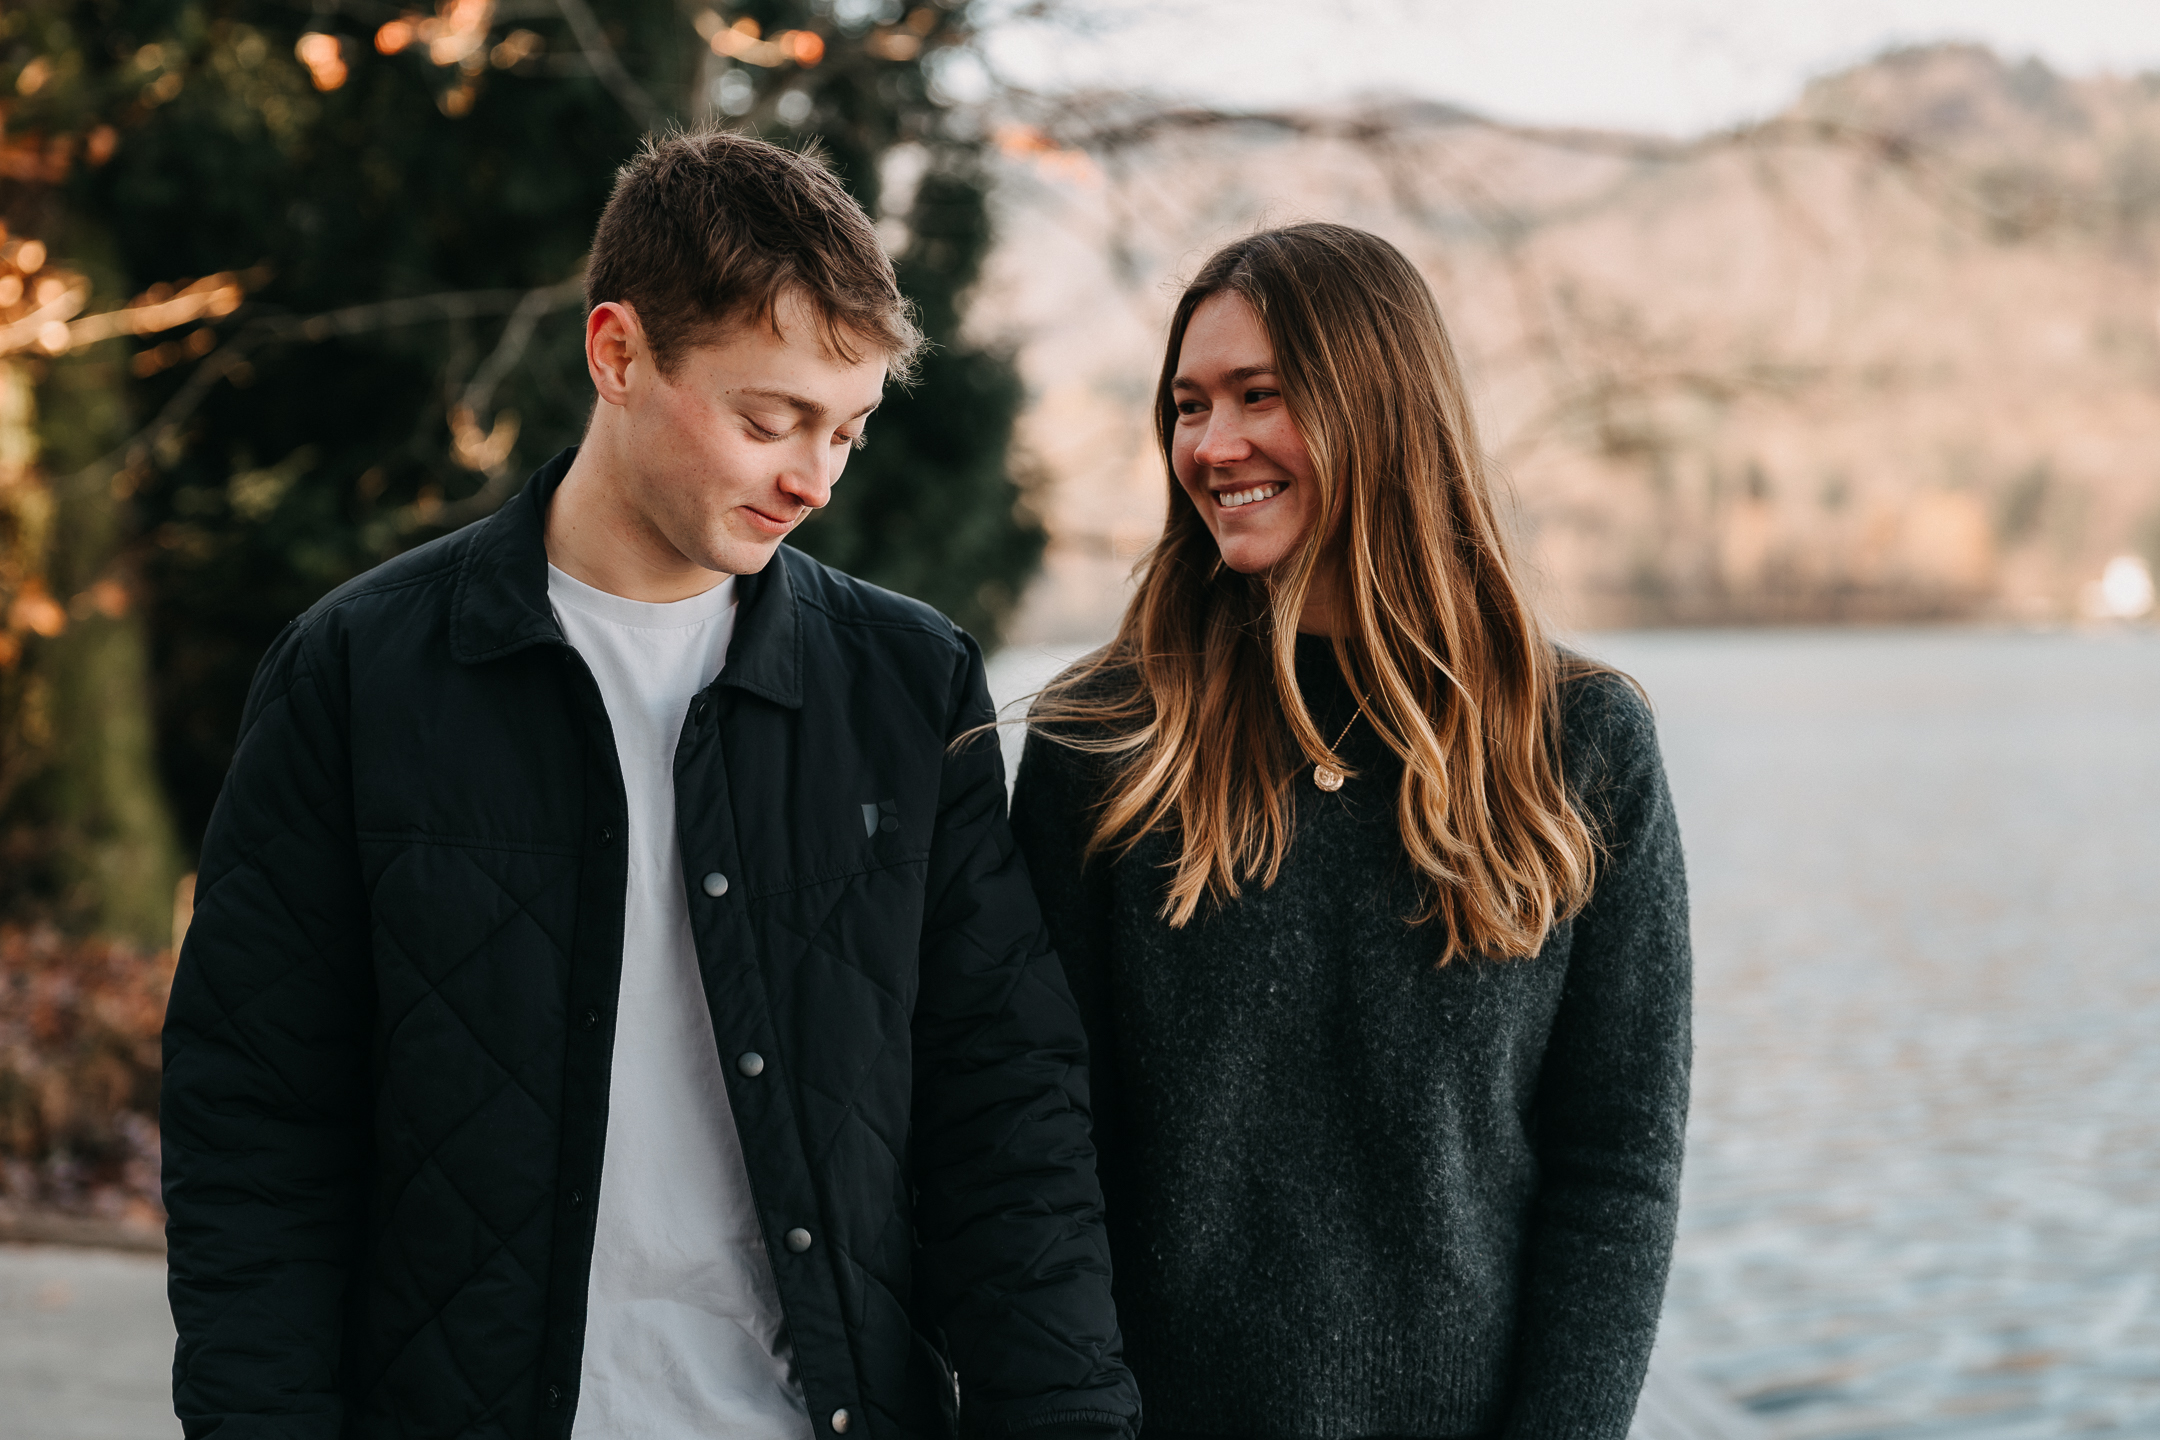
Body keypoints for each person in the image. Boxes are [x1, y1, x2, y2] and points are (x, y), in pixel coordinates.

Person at [161, 130, 1139, 1440]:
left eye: (848, 432)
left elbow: (1005, 1110)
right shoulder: (357, 674)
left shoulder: (908, 684)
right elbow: (254, 1126)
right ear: (617, 354)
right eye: (768, 420)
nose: (813, 479)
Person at [1010, 223, 1691, 1440]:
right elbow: (1039, 1151)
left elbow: (1617, 1169)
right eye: (1187, 406)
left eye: (1259, 396)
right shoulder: (1104, 738)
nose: (1211, 446)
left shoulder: (1580, 743)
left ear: (1378, 405)